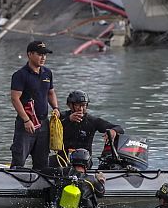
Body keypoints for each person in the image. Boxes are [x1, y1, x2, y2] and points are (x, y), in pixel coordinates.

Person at [10, 40, 60, 169]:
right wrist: (26, 120)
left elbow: (51, 93)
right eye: (40, 54)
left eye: (45, 55)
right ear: (29, 54)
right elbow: (15, 99)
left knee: (42, 161)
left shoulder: (47, 73)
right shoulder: (20, 75)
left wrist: (55, 108)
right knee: (19, 159)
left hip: (44, 123)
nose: (43, 58)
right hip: (26, 123)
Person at [60, 90, 124, 157]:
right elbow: (51, 130)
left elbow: (119, 128)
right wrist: (68, 120)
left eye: (83, 105)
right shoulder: (62, 117)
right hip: (62, 157)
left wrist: (113, 131)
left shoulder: (92, 120)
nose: (81, 109)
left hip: (84, 159)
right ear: (70, 105)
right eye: (77, 105)